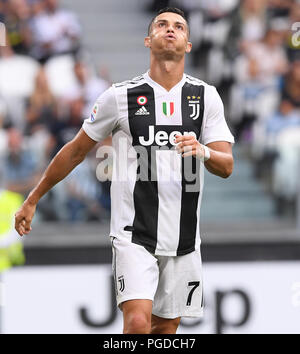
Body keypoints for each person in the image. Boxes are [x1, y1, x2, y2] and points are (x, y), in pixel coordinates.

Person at [14, 7, 234, 334]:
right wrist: (33, 198)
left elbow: (227, 165)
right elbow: (75, 150)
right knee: (137, 322)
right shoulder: (120, 97)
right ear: (148, 40)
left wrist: (202, 151)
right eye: (162, 25)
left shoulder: (206, 98)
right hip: (134, 233)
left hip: (184, 236)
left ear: (188, 44)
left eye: (179, 27)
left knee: (166, 329)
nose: (170, 30)